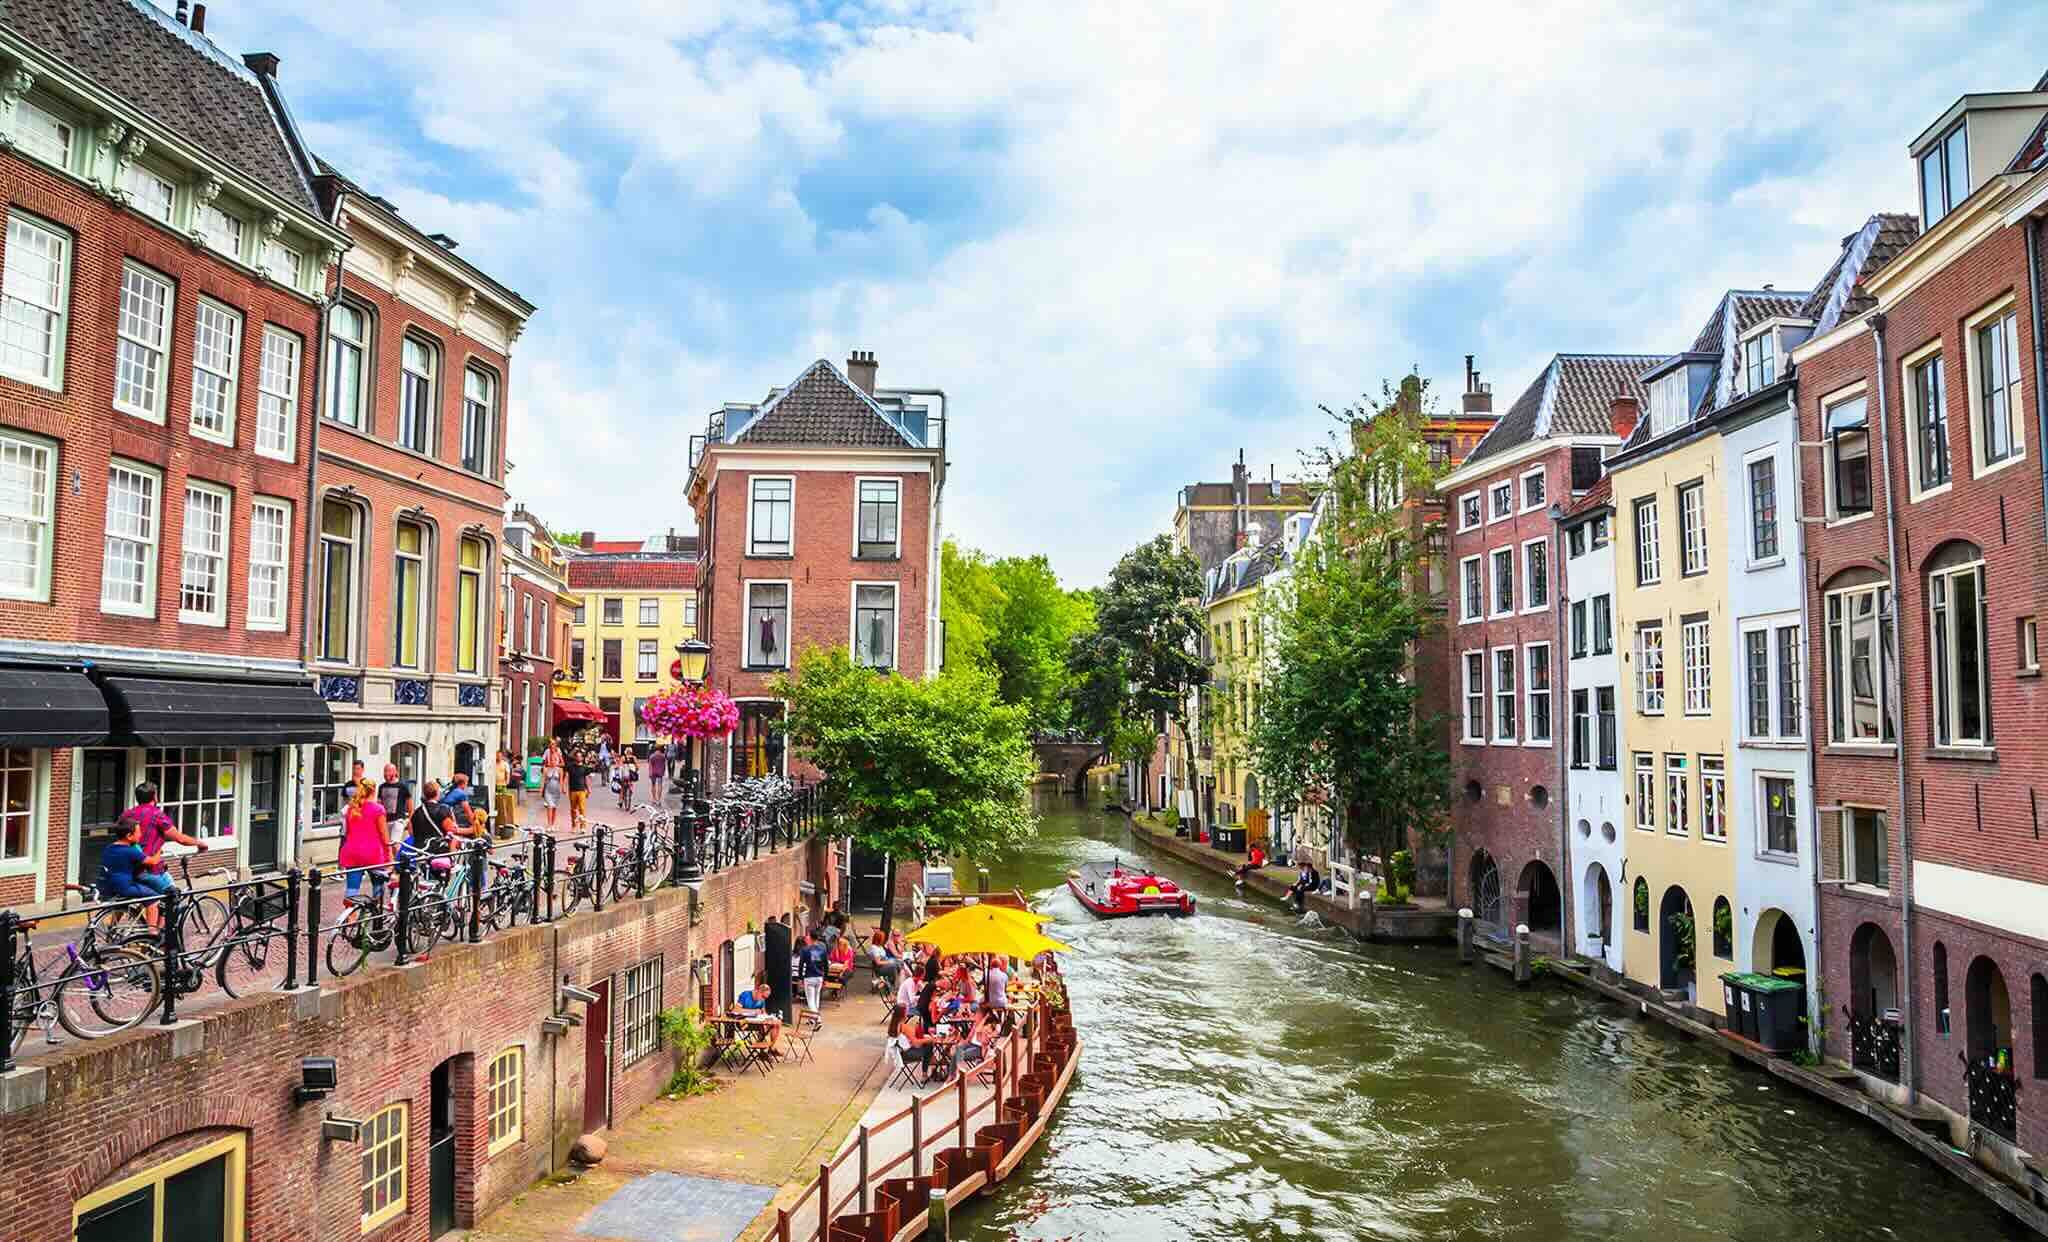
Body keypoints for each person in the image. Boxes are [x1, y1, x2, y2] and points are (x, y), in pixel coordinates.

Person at [118, 781, 200, 901]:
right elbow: (179, 838)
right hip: (149, 869)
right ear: (155, 797)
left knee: (128, 900)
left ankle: (114, 919)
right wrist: (200, 843)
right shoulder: (156, 815)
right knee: (172, 898)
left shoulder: (126, 814)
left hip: (127, 868)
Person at [97, 814, 164, 929]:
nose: (141, 835)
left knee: (123, 902)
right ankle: (153, 934)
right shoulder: (130, 851)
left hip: (108, 887)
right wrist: (159, 850)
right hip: (124, 887)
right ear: (129, 836)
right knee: (153, 899)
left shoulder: (109, 847)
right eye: (138, 832)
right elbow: (152, 861)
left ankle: (112, 929)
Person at [337, 778, 392, 898]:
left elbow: (346, 833)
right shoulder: (378, 809)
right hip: (373, 853)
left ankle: (350, 915)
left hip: (352, 852)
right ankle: (376, 914)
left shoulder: (351, 809)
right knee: (378, 887)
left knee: (352, 889)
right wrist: (389, 855)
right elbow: (384, 835)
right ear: (373, 791)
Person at [944, 1010, 1000, 1083]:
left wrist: (984, 1019)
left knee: (958, 1054)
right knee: (957, 1050)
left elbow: (979, 1030)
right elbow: (969, 1038)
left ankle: (953, 1076)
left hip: (979, 1048)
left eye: (977, 1014)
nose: (975, 1016)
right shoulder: (975, 1024)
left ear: (983, 1016)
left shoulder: (989, 1026)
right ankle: (954, 1076)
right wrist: (960, 1044)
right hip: (971, 1044)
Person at [891, 1010, 939, 1083]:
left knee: (927, 1046)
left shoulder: (893, 1027)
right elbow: (916, 1042)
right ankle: (928, 1072)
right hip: (908, 1055)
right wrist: (931, 1040)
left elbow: (909, 1042)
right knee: (928, 1046)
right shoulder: (904, 1027)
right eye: (905, 1012)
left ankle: (933, 1066)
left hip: (900, 1054)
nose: (907, 1013)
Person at [798, 930, 829, 1013]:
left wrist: (800, 978)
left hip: (809, 977)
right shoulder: (823, 949)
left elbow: (801, 965)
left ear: (810, 937)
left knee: (810, 1001)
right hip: (819, 977)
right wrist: (825, 978)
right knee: (816, 998)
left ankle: (817, 1019)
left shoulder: (805, 950)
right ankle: (812, 1020)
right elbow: (826, 965)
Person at [541, 741, 566, 830]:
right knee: (549, 806)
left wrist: (563, 788)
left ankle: (553, 824)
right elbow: (543, 779)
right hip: (548, 787)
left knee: (554, 806)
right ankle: (549, 824)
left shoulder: (559, 769)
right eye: (551, 744)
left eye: (554, 759)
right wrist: (541, 789)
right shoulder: (546, 768)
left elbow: (562, 779)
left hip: (556, 788)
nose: (553, 760)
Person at [566, 747, 592, 830]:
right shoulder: (571, 767)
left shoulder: (584, 768)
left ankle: (582, 826)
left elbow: (586, 778)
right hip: (572, 790)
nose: (579, 758)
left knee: (582, 808)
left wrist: (588, 789)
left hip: (582, 790)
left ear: (582, 758)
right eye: (577, 756)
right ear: (575, 757)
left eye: (580, 756)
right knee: (573, 809)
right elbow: (566, 776)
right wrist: (564, 786)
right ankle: (573, 825)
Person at [494, 750, 520, 830]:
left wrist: (507, 781)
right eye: (497, 755)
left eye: (500, 756)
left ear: (502, 756)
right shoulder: (493, 763)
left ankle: (503, 817)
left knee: (503, 801)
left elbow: (507, 773)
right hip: (495, 785)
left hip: (502, 785)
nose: (498, 757)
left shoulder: (505, 764)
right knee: (495, 800)